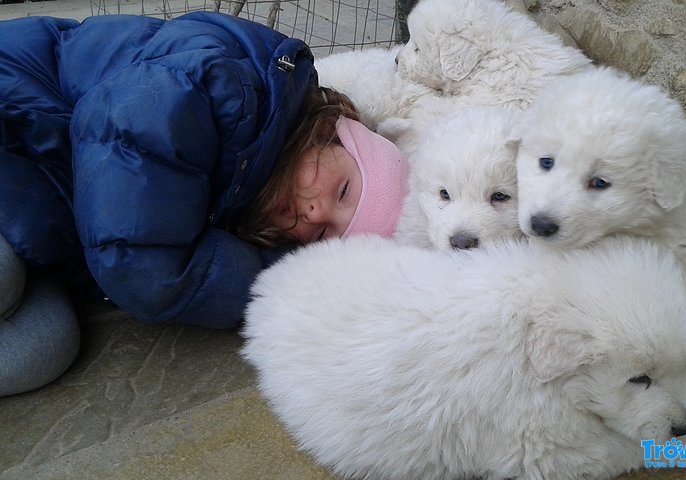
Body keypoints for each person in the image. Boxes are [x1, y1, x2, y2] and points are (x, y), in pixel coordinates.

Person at [0, 12, 409, 396]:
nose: (317, 214)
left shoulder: (249, 188)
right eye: (341, 191)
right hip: (13, 104)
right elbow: (136, 263)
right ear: (328, 133)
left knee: (47, 347)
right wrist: (291, 287)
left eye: (323, 234)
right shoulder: (227, 88)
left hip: (32, 184)